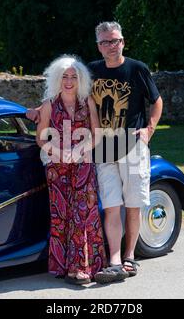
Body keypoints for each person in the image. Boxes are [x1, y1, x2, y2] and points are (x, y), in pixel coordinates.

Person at [87, 21, 163, 284]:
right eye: (106, 42)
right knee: (110, 205)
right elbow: (68, 92)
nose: (112, 46)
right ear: (99, 46)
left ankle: (129, 257)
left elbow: (157, 101)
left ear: (123, 42)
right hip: (104, 144)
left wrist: (149, 130)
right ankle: (114, 261)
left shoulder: (137, 68)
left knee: (132, 203)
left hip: (131, 143)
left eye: (116, 40)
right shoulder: (91, 71)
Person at [35, 55, 107, 285]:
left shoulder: (87, 102)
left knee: (83, 215)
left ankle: (84, 267)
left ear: (80, 79)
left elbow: (96, 135)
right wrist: (55, 151)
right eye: (64, 76)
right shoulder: (48, 105)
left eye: (73, 77)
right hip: (57, 168)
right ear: (57, 78)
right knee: (61, 217)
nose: (69, 81)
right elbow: (40, 138)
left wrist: (81, 150)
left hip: (83, 164)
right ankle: (63, 267)